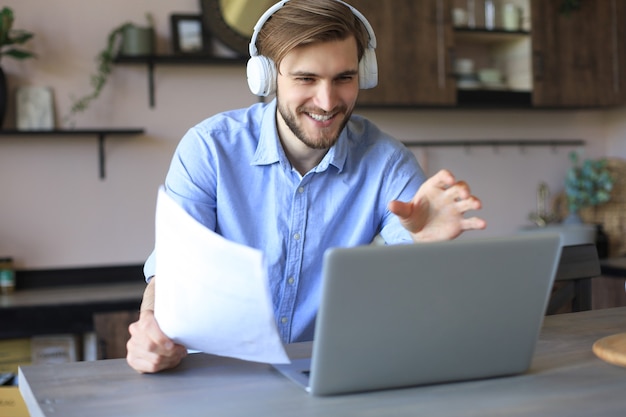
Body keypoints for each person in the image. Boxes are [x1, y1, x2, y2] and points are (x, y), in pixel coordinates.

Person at [126, 0, 486, 374]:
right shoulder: (209, 149)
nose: (328, 102)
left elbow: (412, 291)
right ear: (266, 78)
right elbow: (173, 269)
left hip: (328, 373)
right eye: (306, 79)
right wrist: (150, 323)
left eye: (344, 78)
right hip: (218, 374)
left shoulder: (387, 162)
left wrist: (424, 246)